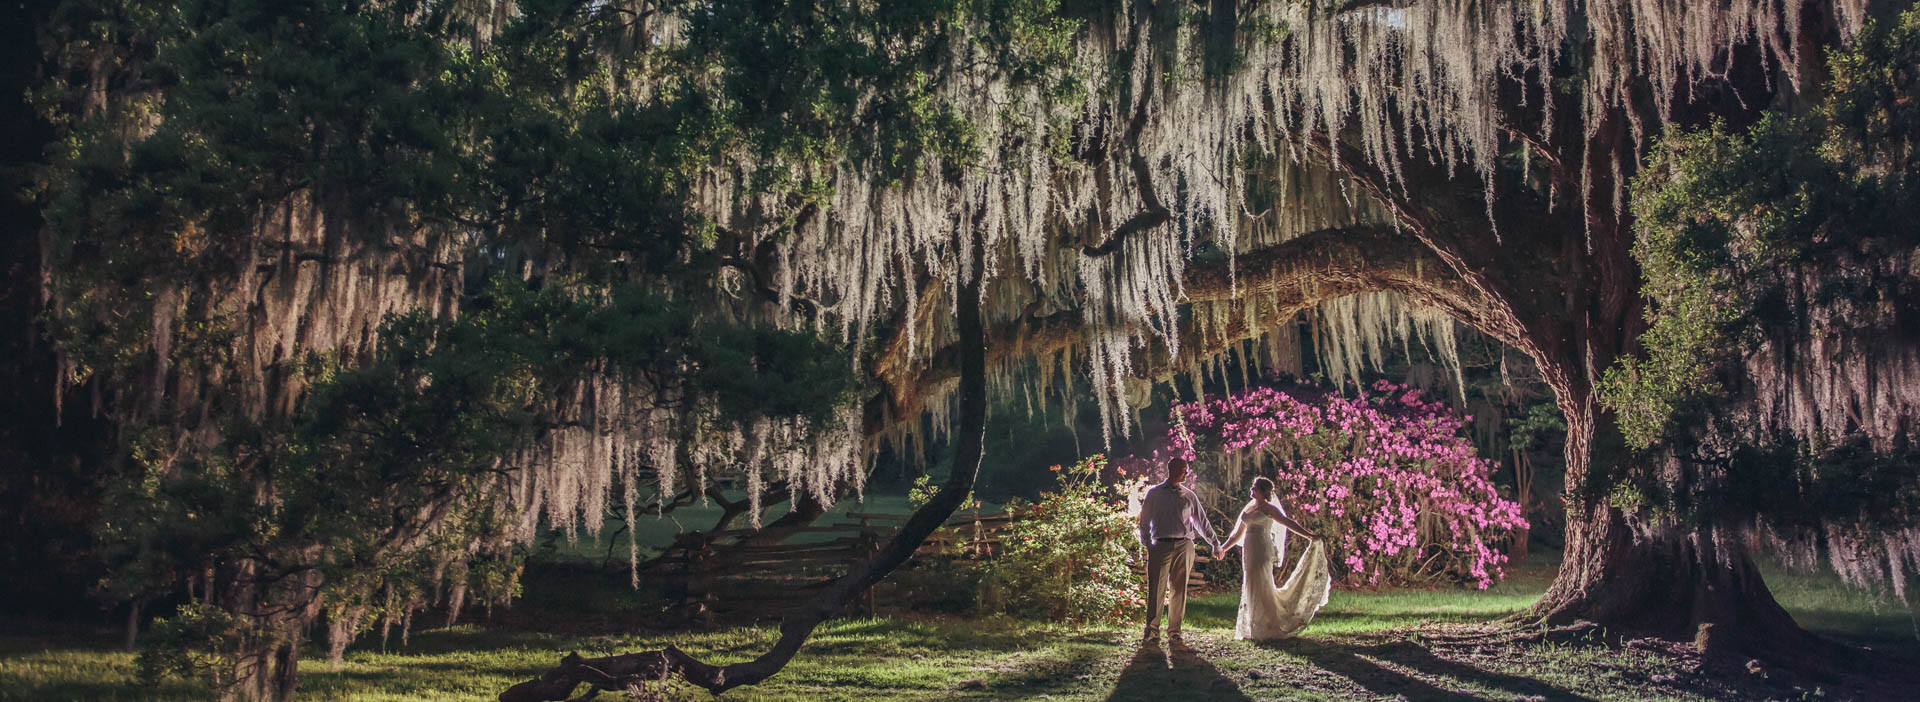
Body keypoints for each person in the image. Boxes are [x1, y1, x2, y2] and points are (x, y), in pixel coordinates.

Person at [1221, 476, 1331, 641]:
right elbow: (1237, 535)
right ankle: (1253, 626)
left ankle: (1270, 626)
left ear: (1263, 491)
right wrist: (1223, 548)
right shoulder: (1250, 508)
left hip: (1262, 550)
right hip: (1249, 552)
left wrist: (1309, 536)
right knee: (1251, 582)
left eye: (1255, 487)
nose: (1252, 490)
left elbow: (1288, 523)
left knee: (1262, 584)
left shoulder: (1269, 509)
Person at [1136, 457, 1220, 643]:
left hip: (1184, 544)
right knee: (1156, 587)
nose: (1185, 473)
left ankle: (1174, 630)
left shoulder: (1189, 495)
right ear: (1171, 469)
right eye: (1182, 469)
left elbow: (1201, 521)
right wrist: (1147, 543)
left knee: (1179, 588)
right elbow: (1144, 521)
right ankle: (1152, 629)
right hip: (1160, 544)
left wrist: (1214, 542)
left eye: (1186, 469)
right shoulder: (1155, 494)